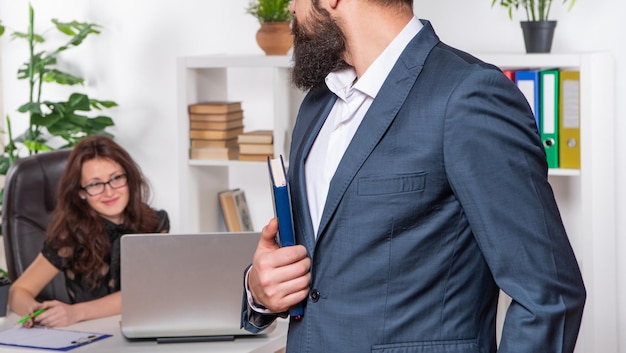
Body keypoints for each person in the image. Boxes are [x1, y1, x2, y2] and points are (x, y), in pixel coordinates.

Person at [241, 0, 586, 352]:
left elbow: (550, 296)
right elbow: (324, 271)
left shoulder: (468, 94)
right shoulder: (318, 102)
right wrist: (260, 289)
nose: (291, 7)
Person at [9, 135, 169, 328]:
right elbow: (18, 291)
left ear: (129, 178)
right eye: (95, 184)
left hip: (143, 329)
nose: (109, 192)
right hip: (89, 336)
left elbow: (146, 290)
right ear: (81, 192)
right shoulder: (70, 234)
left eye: (116, 178)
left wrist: (76, 312)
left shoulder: (154, 223)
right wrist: (35, 310)